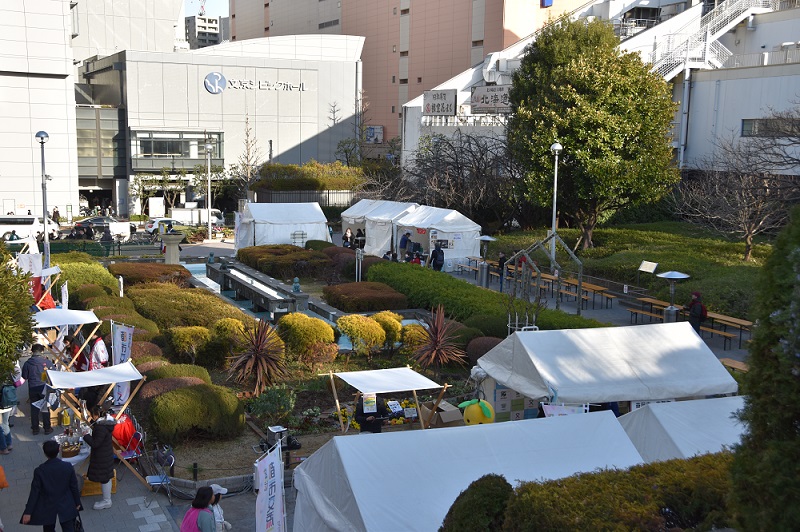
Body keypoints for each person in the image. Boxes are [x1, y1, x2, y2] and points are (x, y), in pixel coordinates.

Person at [22, 440, 82, 531]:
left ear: (45, 453)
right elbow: (74, 486)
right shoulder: (67, 466)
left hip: (47, 505)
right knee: (69, 527)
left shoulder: (40, 471)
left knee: (48, 528)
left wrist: (28, 512)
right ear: (59, 450)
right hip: (66, 503)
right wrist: (77, 503)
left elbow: (34, 492)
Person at [83, 406, 115, 510]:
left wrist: (86, 435)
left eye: (92, 415)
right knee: (106, 477)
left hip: (102, 456)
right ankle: (107, 499)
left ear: (96, 415)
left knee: (104, 478)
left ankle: (107, 500)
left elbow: (95, 443)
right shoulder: (106, 424)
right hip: (106, 455)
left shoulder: (101, 427)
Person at [21, 344, 54, 435]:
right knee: (45, 408)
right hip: (43, 387)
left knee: (34, 409)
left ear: (32, 351)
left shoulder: (27, 363)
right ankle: (47, 428)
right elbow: (53, 374)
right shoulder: (47, 362)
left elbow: (24, 376)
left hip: (32, 387)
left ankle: (35, 429)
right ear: (42, 351)